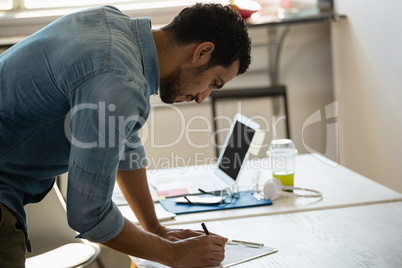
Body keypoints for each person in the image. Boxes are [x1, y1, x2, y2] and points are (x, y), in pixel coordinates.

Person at [0, 3, 251, 267]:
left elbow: (126, 148)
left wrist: (156, 229)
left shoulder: (112, 25)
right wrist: (174, 255)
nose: (202, 98)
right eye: (214, 82)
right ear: (202, 52)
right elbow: (89, 214)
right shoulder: (120, 80)